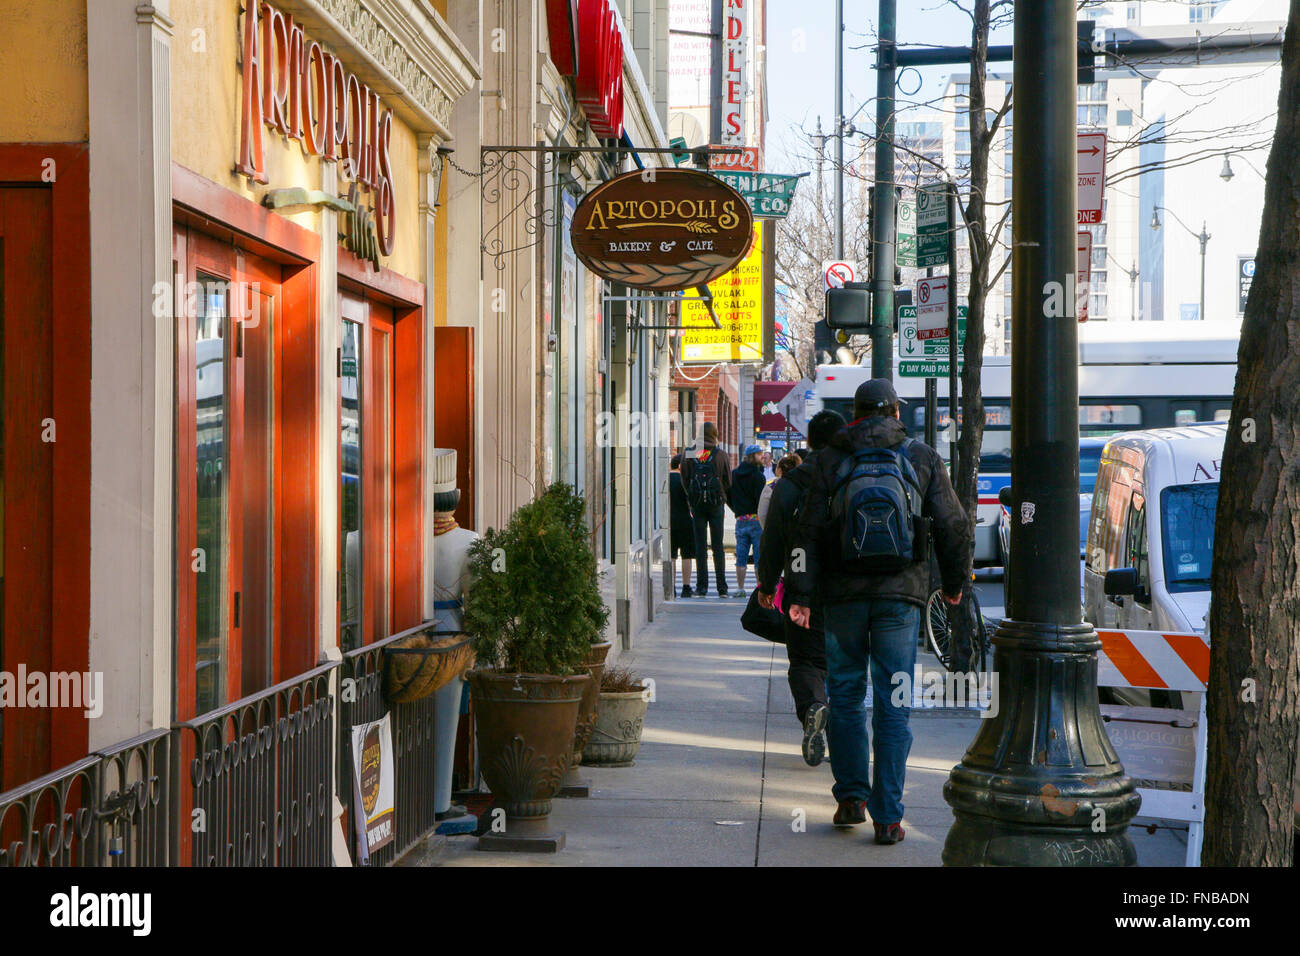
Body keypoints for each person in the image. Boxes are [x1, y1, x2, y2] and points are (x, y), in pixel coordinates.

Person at [787, 379, 970, 845]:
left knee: (846, 696)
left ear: (856, 413)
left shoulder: (831, 457)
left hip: (842, 596)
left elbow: (804, 534)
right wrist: (953, 586)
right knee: (894, 705)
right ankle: (888, 817)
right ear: (893, 412)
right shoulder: (921, 455)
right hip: (900, 596)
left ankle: (851, 797)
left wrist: (803, 596)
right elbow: (953, 524)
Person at [756, 410, 846, 767]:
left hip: (801, 584)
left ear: (809, 442)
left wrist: (766, 583)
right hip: (850, 589)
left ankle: (813, 707)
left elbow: (774, 536)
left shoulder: (792, 482)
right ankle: (844, 737)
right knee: (844, 664)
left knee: (806, 660)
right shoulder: (855, 472)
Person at [680, 422, 732, 598]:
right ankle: (722, 587)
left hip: (697, 505)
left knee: (700, 546)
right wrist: (720, 494)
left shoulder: (690, 452)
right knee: (718, 546)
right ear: (715, 434)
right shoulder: (721, 454)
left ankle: (701, 586)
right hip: (716, 504)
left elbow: (684, 479)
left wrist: (692, 497)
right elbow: (728, 480)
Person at [729, 444, 767, 598]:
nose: (762, 457)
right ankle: (759, 587)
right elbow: (762, 500)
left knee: (741, 554)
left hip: (741, 519)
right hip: (756, 519)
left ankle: (740, 587)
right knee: (759, 555)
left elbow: (728, 494)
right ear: (752, 456)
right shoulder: (758, 476)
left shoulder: (735, 474)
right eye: (759, 454)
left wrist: (736, 509)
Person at [669, 453, 696, 597]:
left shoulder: (665, 479)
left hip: (669, 522)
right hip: (685, 521)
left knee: (672, 555)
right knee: (687, 555)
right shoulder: (684, 480)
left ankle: (671, 587)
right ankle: (686, 587)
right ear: (681, 466)